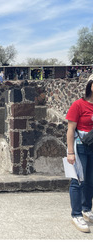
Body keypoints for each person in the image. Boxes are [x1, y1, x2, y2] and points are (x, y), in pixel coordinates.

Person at [66, 73, 93, 233]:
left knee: (90, 180)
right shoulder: (78, 105)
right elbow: (70, 129)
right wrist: (70, 152)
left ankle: (86, 209)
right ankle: (76, 214)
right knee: (77, 181)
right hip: (79, 146)